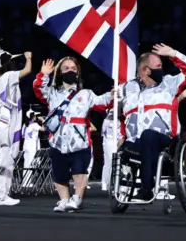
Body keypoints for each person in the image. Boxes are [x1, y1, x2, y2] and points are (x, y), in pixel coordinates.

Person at [117, 43, 186, 201]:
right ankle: (124, 189)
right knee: (127, 146)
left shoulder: (169, 84)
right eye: (158, 66)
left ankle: (146, 189)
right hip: (135, 142)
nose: (161, 69)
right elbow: (117, 114)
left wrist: (173, 53)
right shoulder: (127, 88)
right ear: (146, 70)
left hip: (165, 142)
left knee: (148, 136)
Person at [33, 56, 113, 212]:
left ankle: (77, 198)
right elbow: (38, 89)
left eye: (73, 69)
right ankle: (64, 200)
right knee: (59, 172)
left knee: (79, 170)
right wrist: (43, 75)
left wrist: (112, 95)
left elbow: (102, 102)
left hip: (79, 140)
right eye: (66, 68)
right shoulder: (53, 93)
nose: (70, 71)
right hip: (57, 140)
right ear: (60, 73)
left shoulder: (86, 94)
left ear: (78, 72)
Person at [0, 49, 32, 206]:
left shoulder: (1, 78)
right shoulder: (7, 76)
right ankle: (0, 195)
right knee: (5, 160)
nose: (14, 63)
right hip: (5, 124)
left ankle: (4, 193)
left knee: (7, 160)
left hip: (3, 123)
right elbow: (27, 70)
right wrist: (28, 57)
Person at [100, 108, 125, 191]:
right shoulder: (107, 120)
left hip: (118, 140)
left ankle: (119, 184)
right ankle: (105, 183)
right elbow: (105, 132)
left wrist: (122, 138)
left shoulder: (123, 118)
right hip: (109, 140)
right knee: (109, 161)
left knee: (120, 162)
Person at [21, 110, 44, 187]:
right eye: (34, 116)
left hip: (25, 145)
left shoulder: (25, 125)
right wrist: (43, 121)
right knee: (30, 164)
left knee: (26, 164)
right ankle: (27, 182)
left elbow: (23, 136)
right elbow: (44, 129)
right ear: (32, 117)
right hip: (32, 146)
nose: (36, 117)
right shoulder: (34, 125)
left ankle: (25, 182)